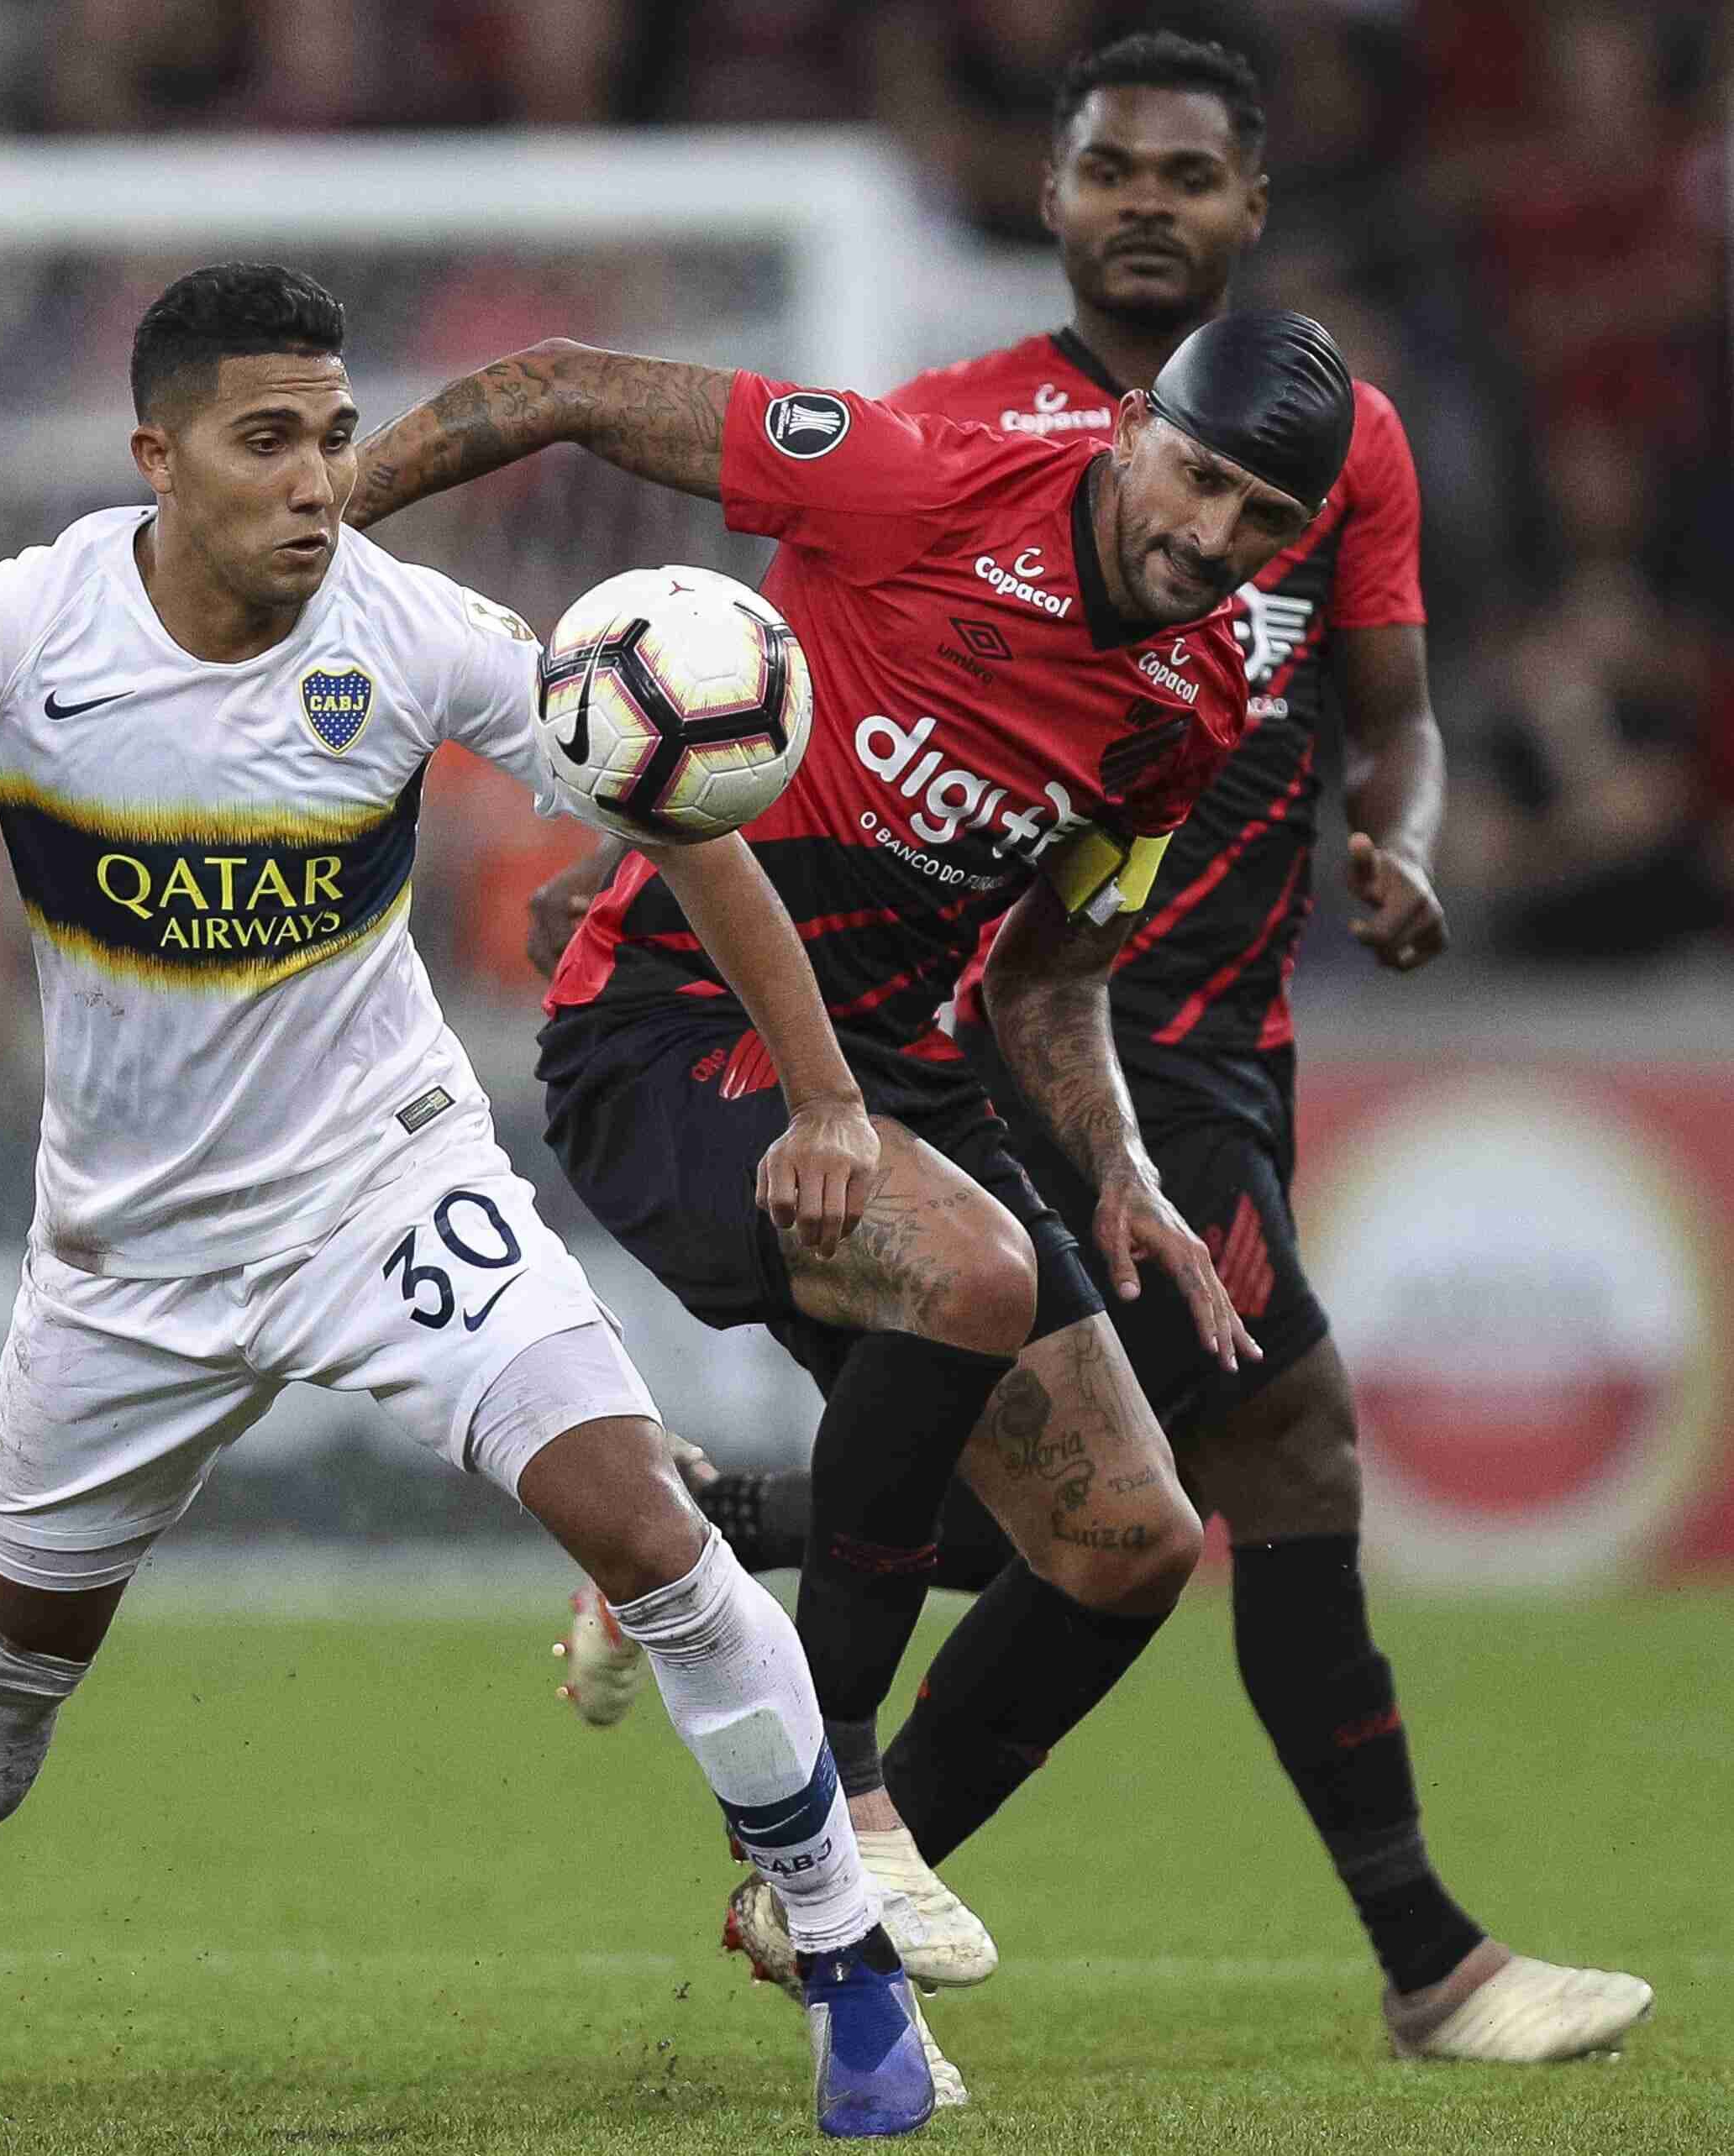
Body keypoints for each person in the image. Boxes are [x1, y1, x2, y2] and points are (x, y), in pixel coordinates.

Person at [0, 264, 941, 2138]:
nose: (316, 477)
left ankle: (856, 1984)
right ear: (158, 455)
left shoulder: (419, 633)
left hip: (386, 1192)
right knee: (0, 1665)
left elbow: (679, 820)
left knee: (644, 1531)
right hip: (126, 1258)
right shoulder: (16, 628)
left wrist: (830, 1095)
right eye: (266, 440)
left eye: (338, 436)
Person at [533, 32, 1654, 2070]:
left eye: (1190, 177)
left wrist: (1396, 842)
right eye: (1110, 170)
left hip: (1191, 1034)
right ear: (1050, 197)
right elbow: (768, 715)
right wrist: (662, 860)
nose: (1148, 204)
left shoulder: (1337, 437)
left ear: (1249, 212)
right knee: (1263, 1443)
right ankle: (1404, 1955)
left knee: (1078, 1507)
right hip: (1045, 1047)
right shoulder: (944, 435)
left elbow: (1389, 707)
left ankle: (727, 1575)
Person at [347, 288, 1364, 2068]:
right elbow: (559, 384)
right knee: (969, 1283)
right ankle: (840, 1821)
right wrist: (299, 538)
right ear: (1133, 426)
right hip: (674, 1032)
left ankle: (760, 1761)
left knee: (1126, 1545)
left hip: (896, 1084)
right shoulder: (912, 482)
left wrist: (1116, 1162)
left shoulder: (1197, 703)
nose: (1210, 537)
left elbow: (1051, 972)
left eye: (1263, 521)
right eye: (1195, 476)